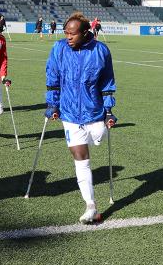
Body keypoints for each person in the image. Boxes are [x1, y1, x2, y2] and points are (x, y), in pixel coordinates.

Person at [45, 12, 117, 224]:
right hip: (69, 113)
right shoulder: (59, 48)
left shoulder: (101, 50)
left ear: (85, 33)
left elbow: (107, 82)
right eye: (66, 33)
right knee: (80, 159)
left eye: (72, 34)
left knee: (98, 138)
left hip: (95, 113)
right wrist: (52, 105)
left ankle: (96, 134)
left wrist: (109, 111)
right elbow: (52, 77)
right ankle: (91, 206)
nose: (68, 37)